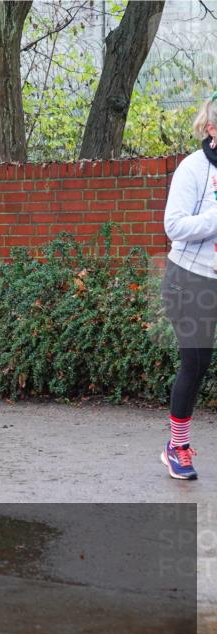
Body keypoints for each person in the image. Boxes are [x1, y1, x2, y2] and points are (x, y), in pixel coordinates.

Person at [160, 92, 217, 481]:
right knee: (196, 363)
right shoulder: (193, 169)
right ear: (211, 128)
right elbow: (174, 226)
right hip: (189, 279)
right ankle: (176, 446)